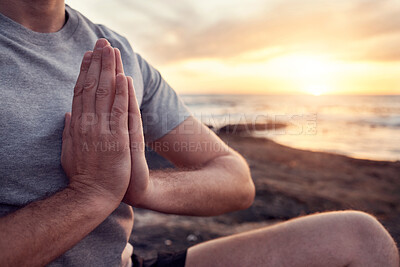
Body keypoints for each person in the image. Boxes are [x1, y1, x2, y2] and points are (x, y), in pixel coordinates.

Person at [0, 1, 398, 266]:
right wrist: (92, 193)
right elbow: (96, 190)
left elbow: (234, 178)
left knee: (360, 238)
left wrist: (144, 188)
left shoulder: (114, 50)